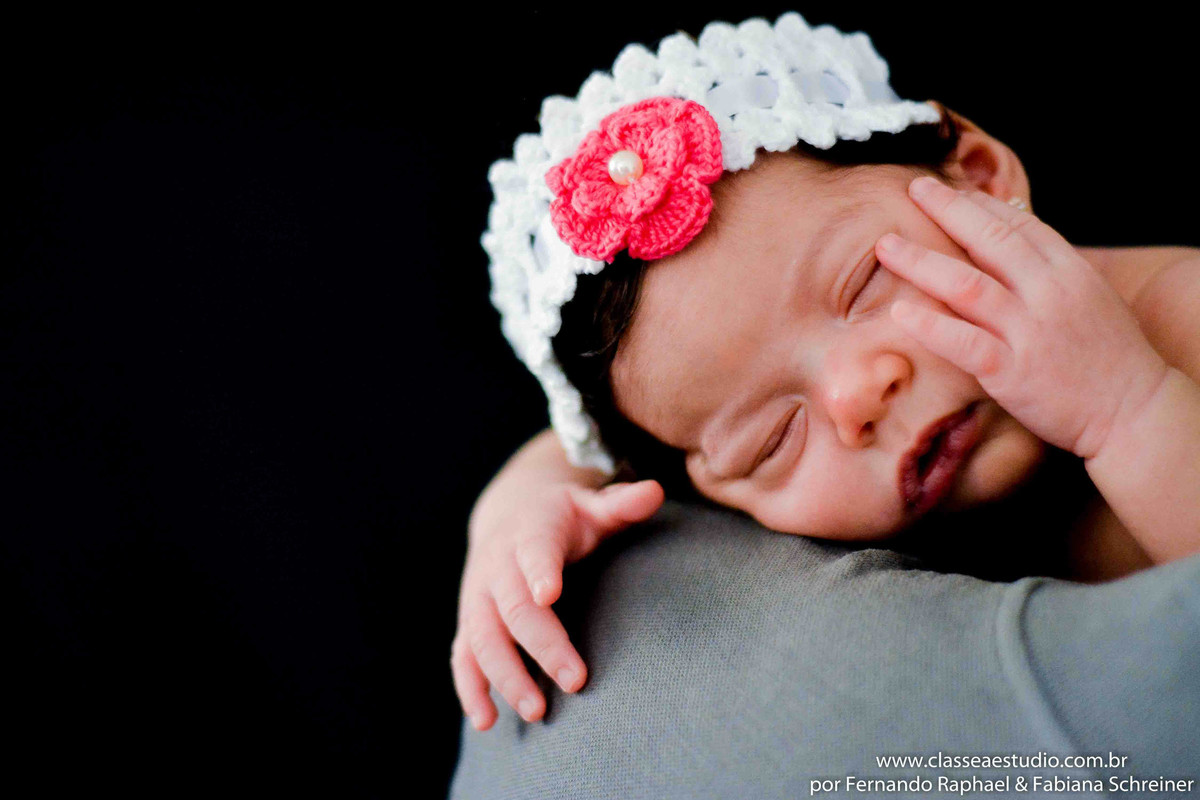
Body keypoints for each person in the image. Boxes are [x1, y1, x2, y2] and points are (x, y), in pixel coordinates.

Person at [453, 12, 1200, 732]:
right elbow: (591, 456)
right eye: (773, 439)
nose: (854, 400)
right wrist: (514, 513)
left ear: (977, 179)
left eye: (865, 286)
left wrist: (1129, 411)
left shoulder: (1174, 320)